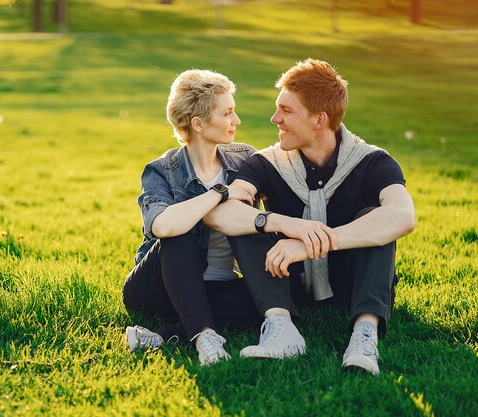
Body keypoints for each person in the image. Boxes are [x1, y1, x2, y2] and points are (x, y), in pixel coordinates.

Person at [204, 59, 416, 375]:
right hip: (287, 283)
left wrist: (314, 244)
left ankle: (364, 334)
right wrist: (281, 223)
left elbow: (402, 216)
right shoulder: (266, 163)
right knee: (248, 218)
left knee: (377, 218)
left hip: (353, 285)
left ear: (319, 119)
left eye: (287, 111)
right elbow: (222, 210)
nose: (275, 119)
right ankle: (281, 327)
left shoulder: (373, 162)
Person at [122, 69, 261, 366]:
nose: (236, 121)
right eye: (228, 113)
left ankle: (162, 337)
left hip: (219, 287)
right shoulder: (162, 170)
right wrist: (222, 192)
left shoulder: (245, 158)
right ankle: (204, 336)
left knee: (276, 293)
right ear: (198, 123)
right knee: (178, 231)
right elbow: (162, 225)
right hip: (157, 288)